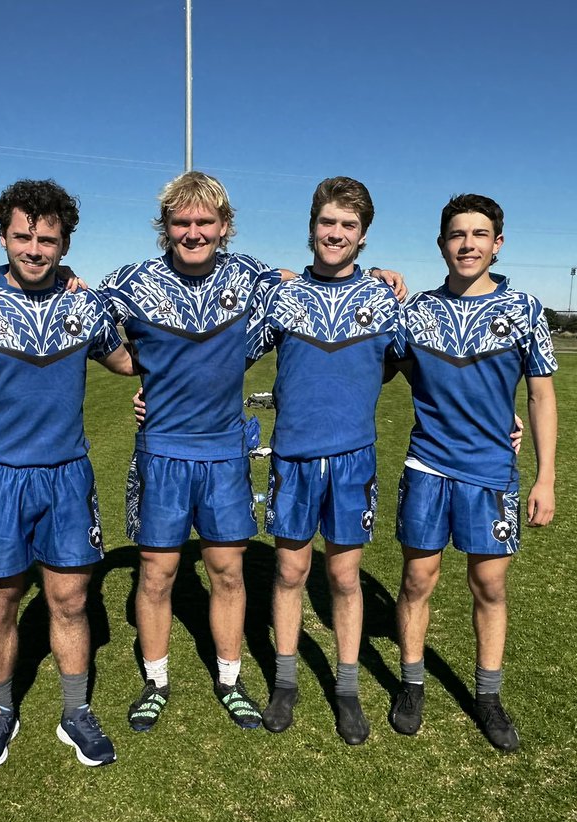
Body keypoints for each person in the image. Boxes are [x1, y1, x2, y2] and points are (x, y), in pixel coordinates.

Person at [103, 171, 407, 734]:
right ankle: (156, 680)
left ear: (225, 227)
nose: (193, 232)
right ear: (165, 227)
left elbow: (391, 352)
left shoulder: (258, 281)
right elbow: (85, 323)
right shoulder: (130, 280)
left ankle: (230, 678)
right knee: (155, 574)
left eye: (205, 222)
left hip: (225, 451)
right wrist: (145, 373)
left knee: (229, 571)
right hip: (162, 449)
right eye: (181, 222)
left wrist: (386, 275)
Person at [0, 180, 134, 770]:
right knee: (0, 604)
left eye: (47, 239)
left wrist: (174, 381)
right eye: (23, 236)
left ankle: (75, 711)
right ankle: (1, 709)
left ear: (65, 242)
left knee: (70, 600)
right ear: (3, 235)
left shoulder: (86, 306)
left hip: (66, 477)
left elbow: (129, 358)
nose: (34, 249)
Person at [387, 194, 558, 753]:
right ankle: (411, 684)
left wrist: (545, 477)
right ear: (442, 244)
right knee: (418, 580)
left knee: (489, 584)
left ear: (497, 244)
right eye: (457, 235)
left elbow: (540, 395)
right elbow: (386, 368)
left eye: (479, 235)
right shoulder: (415, 313)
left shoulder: (525, 309)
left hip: (491, 472)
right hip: (428, 465)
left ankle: (487, 696)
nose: (468, 244)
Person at [248, 177, 400, 745]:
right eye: (328, 223)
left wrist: (494, 419)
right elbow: (220, 354)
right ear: (312, 226)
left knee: (343, 576)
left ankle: (347, 687)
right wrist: (155, 391)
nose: (336, 234)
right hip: (294, 457)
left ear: (363, 237)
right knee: (290, 571)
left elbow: (424, 364)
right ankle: (285, 683)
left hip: (354, 462)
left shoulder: (384, 299)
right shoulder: (280, 296)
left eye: (348, 226)